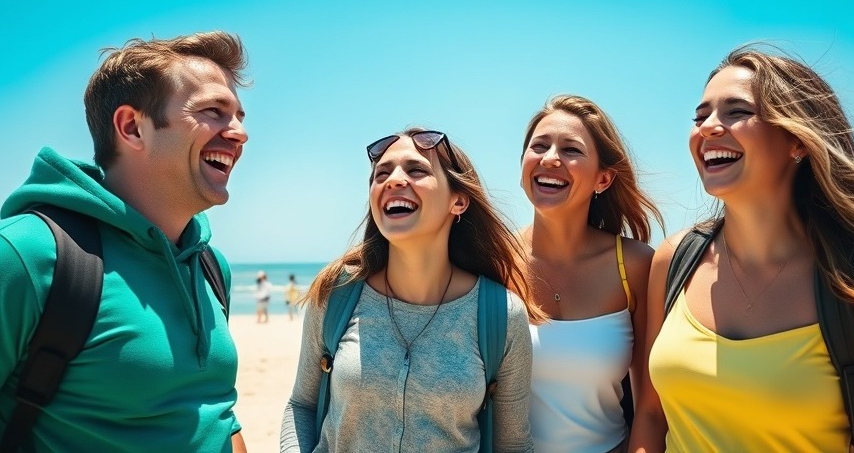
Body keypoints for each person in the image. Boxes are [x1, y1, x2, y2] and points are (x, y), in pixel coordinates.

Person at [0, 32, 250, 452]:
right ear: (132, 127)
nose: (239, 133)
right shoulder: (27, 254)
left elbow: (215, 412)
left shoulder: (209, 266)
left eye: (240, 116)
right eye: (214, 111)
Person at [630, 46, 854, 451]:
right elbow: (650, 415)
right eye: (701, 115)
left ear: (797, 141)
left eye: (736, 112)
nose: (708, 127)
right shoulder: (673, 259)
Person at [280, 127, 544, 452]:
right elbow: (301, 406)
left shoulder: (501, 314)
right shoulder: (338, 293)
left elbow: (513, 444)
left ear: (458, 201)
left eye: (416, 170)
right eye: (381, 174)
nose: (393, 180)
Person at [520, 95, 661, 452]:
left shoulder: (636, 265)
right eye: (539, 146)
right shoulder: (492, 260)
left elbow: (651, 408)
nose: (550, 158)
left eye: (571, 149)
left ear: (603, 178)